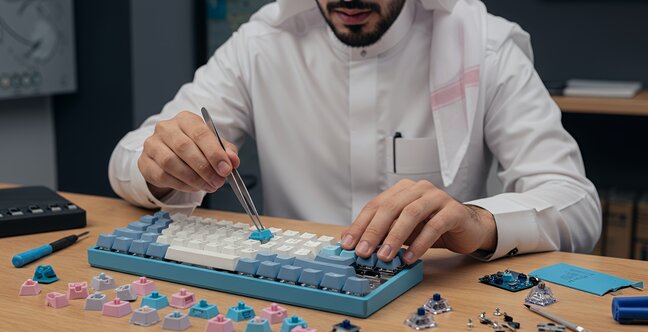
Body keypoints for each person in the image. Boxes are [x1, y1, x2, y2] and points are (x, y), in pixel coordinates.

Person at [109, 0, 601, 265]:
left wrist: (475, 222)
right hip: (290, 295)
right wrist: (160, 166)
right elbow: (129, 156)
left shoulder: (485, 45)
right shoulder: (261, 45)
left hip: (431, 299)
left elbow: (576, 203)